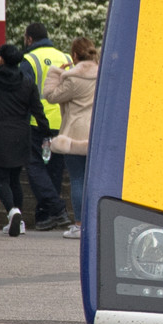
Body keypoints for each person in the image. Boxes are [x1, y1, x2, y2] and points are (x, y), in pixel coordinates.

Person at [0, 48, 50, 237]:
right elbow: (38, 110)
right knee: (15, 179)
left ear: (1, 60)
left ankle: (13, 212)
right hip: (21, 133)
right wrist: (46, 132)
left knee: (1, 180)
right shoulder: (27, 82)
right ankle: (19, 221)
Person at [20, 22, 76, 229]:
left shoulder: (29, 59)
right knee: (54, 169)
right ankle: (46, 217)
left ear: (29, 39)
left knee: (34, 166)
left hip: (38, 121)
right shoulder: (67, 58)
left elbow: (24, 94)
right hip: (63, 121)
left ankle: (57, 208)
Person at [47, 38, 100, 225]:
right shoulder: (101, 73)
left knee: (77, 179)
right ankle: (93, 223)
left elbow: (51, 95)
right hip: (96, 133)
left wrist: (57, 73)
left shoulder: (73, 78)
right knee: (93, 182)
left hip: (75, 135)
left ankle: (79, 224)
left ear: (75, 55)